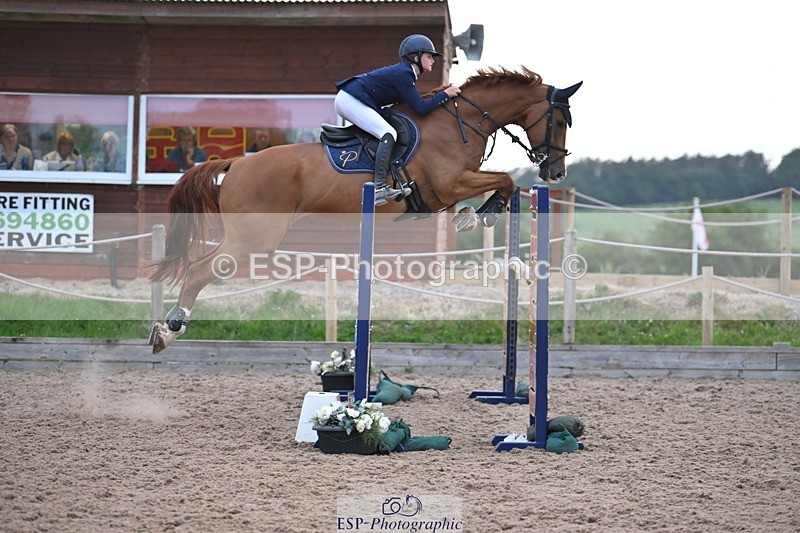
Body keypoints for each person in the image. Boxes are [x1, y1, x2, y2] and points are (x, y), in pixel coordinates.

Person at [334, 34, 460, 206]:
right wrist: (445, 94)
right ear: (415, 57)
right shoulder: (404, 74)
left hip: (354, 99)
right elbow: (421, 108)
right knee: (388, 133)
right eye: (429, 56)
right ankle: (379, 188)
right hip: (350, 100)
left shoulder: (406, 74)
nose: (433, 60)